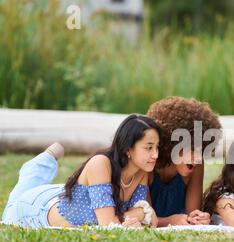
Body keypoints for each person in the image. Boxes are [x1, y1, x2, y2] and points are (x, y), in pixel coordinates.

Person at [1, 114, 161, 229]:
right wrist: (141, 213)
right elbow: (110, 224)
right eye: (148, 148)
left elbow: (146, 219)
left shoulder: (142, 172)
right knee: (14, 204)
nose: (155, 155)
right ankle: (42, 162)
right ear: (128, 149)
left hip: (61, 194)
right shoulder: (100, 163)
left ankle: (43, 163)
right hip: (33, 208)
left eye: (157, 147)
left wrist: (142, 215)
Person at [147, 96, 222, 226]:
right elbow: (144, 218)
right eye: (192, 149)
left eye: (202, 150)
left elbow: (193, 213)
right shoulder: (148, 164)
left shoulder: (196, 165)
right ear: (172, 144)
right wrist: (171, 221)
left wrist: (199, 218)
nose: (198, 158)